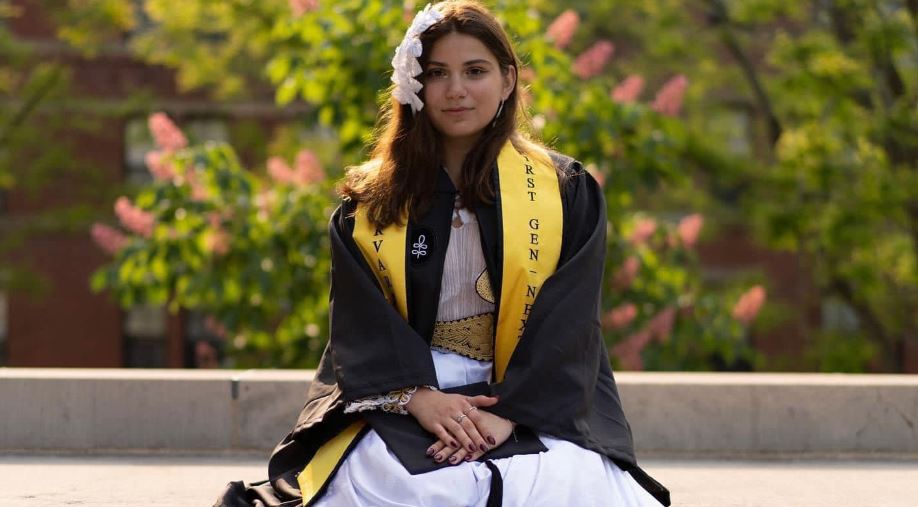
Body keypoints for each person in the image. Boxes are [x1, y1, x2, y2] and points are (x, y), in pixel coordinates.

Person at [215, 1, 670, 506]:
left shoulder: (563, 191)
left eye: (475, 71)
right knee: (403, 482)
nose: (456, 89)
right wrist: (419, 399)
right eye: (437, 73)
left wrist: (506, 415)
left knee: (563, 482)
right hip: (409, 394)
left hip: (530, 396)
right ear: (415, 85)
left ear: (507, 80)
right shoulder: (370, 204)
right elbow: (361, 326)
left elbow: (571, 322)